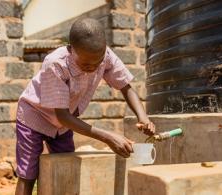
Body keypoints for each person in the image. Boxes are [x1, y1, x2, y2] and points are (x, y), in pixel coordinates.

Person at [15, 18, 155, 195]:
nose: (94, 67)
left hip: (63, 125)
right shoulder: (56, 63)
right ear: (71, 49)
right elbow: (62, 116)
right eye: (86, 64)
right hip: (34, 117)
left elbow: (126, 87)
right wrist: (108, 137)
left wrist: (142, 117)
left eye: (98, 62)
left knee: (67, 166)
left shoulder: (105, 56)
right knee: (28, 174)